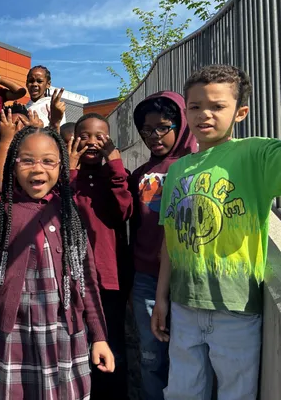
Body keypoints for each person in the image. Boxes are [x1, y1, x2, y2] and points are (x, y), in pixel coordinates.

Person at [152, 65, 281, 400]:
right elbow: (170, 242)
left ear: (241, 112)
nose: (204, 114)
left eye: (217, 106)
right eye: (195, 106)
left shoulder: (256, 153)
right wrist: (161, 298)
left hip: (236, 308)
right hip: (183, 304)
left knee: (236, 394)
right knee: (181, 392)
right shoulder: (178, 169)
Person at [0, 126, 114, 399]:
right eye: (28, 160)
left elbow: (88, 282)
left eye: (48, 161)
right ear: (13, 164)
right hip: (13, 333)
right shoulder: (1, 214)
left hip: (64, 332)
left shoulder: (70, 213)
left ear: (61, 166)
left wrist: (100, 336)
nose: (38, 169)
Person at [129, 91, 196, 400]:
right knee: (151, 356)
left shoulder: (195, 168)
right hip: (146, 278)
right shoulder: (139, 174)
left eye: (162, 127)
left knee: (189, 359)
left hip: (187, 279)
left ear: (181, 124)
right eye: (146, 130)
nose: (153, 136)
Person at [67, 113, 133, 399]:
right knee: (77, 344)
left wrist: (115, 163)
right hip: (74, 278)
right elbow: (61, 209)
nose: (92, 142)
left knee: (111, 343)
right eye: (84, 136)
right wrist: (70, 169)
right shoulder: (67, 178)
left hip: (109, 277)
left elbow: (124, 211)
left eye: (99, 137)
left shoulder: (115, 176)